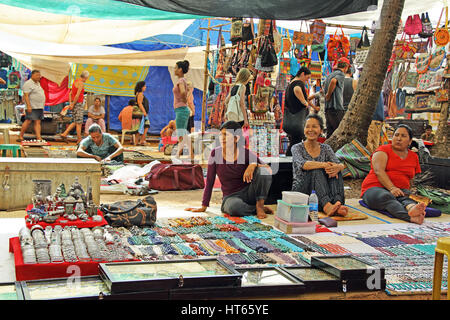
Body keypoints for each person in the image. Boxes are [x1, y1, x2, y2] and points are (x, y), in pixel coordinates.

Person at [185, 121, 274, 219]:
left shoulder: (244, 152)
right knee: (233, 208)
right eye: (220, 134)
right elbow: (210, 181)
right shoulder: (215, 154)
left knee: (263, 171)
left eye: (226, 135)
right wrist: (203, 206)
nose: (222, 138)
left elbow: (268, 169)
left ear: (236, 138)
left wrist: (253, 165)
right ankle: (254, 209)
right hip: (231, 197)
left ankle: (260, 206)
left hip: (249, 193)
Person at [361, 125, 426, 224]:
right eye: (396, 135)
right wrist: (392, 188)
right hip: (375, 188)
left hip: (400, 191)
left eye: (403, 136)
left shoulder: (413, 156)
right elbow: (379, 171)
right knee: (386, 197)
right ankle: (410, 217)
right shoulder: (383, 150)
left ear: (409, 141)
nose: (399, 138)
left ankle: (412, 208)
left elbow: (411, 178)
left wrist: (407, 191)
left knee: (406, 199)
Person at [291, 114, 348, 217]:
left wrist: (337, 167)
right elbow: (304, 165)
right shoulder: (296, 147)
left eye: (314, 126)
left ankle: (337, 203)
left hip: (323, 188)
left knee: (334, 170)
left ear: (321, 130)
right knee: (316, 170)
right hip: (303, 189)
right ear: (304, 130)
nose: (310, 129)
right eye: (307, 126)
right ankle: (327, 206)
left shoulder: (326, 148)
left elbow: (339, 164)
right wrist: (324, 165)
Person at [282, 67, 316, 156]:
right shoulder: (298, 83)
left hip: (292, 118)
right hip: (298, 118)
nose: (307, 80)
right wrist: (304, 102)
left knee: (295, 141)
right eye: (307, 77)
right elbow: (297, 89)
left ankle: (290, 157)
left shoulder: (291, 83)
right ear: (302, 74)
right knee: (298, 140)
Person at [323, 57, 350, 138]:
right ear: (346, 67)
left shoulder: (329, 75)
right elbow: (334, 81)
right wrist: (328, 94)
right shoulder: (341, 74)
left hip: (328, 108)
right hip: (336, 108)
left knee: (330, 134)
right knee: (339, 134)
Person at [60, 70, 89, 144]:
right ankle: (79, 139)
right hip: (78, 104)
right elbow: (77, 95)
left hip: (74, 103)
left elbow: (70, 94)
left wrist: (71, 103)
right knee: (79, 122)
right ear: (85, 77)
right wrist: (72, 104)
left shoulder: (75, 81)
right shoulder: (81, 83)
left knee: (75, 121)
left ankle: (65, 133)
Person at [18, 70, 46, 142]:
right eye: (37, 75)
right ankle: (21, 135)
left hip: (39, 106)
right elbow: (26, 96)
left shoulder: (37, 83)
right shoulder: (28, 84)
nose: (39, 77)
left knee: (38, 122)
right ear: (32, 75)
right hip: (32, 106)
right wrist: (29, 106)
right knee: (28, 121)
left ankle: (38, 137)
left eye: (39, 75)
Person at [173, 60, 191, 156]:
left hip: (181, 109)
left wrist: (184, 100)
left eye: (176, 68)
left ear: (180, 69)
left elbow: (183, 92)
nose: (174, 70)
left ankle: (177, 155)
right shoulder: (182, 80)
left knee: (181, 133)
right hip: (181, 109)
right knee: (183, 133)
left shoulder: (181, 81)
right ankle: (190, 152)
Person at [134, 81, 150, 146]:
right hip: (142, 113)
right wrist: (144, 112)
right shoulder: (140, 94)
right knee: (146, 125)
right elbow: (140, 104)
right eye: (144, 86)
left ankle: (137, 142)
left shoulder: (138, 93)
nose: (145, 87)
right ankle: (142, 141)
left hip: (141, 113)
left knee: (140, 127)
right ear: (141, 87)